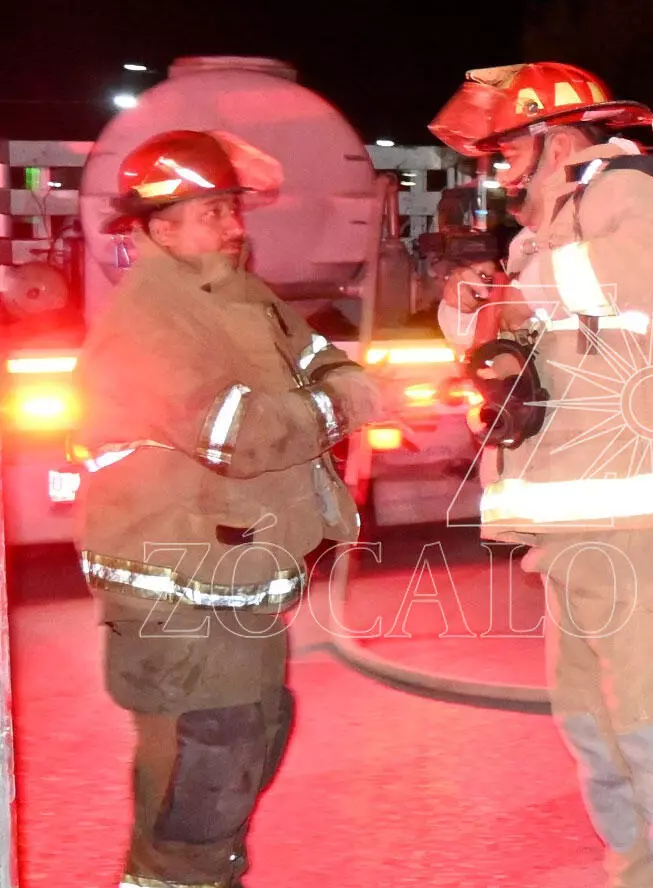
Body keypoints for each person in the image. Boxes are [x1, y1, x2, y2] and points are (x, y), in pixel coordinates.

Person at [429, 62, 653, 887]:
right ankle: (640, 876)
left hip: (652, 532)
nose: (497, 168)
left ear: (555, 138)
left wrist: (522, 290)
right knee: (599, 734)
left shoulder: (625, 191)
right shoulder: (540, 235)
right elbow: (500, 341)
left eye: (508, 148)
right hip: (573, 537)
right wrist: (472, 302)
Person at [72, 129, 381, 887]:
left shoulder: (243, 296)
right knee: (203, 764)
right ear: (158, 227)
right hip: (176, 590)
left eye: (233, 208)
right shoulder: (149, 318)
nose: (235, 226)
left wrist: (336, 382)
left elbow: (318, 356)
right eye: (213, 212)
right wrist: (341, 405)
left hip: (234, 577)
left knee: (248, 739)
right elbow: (233, 432)